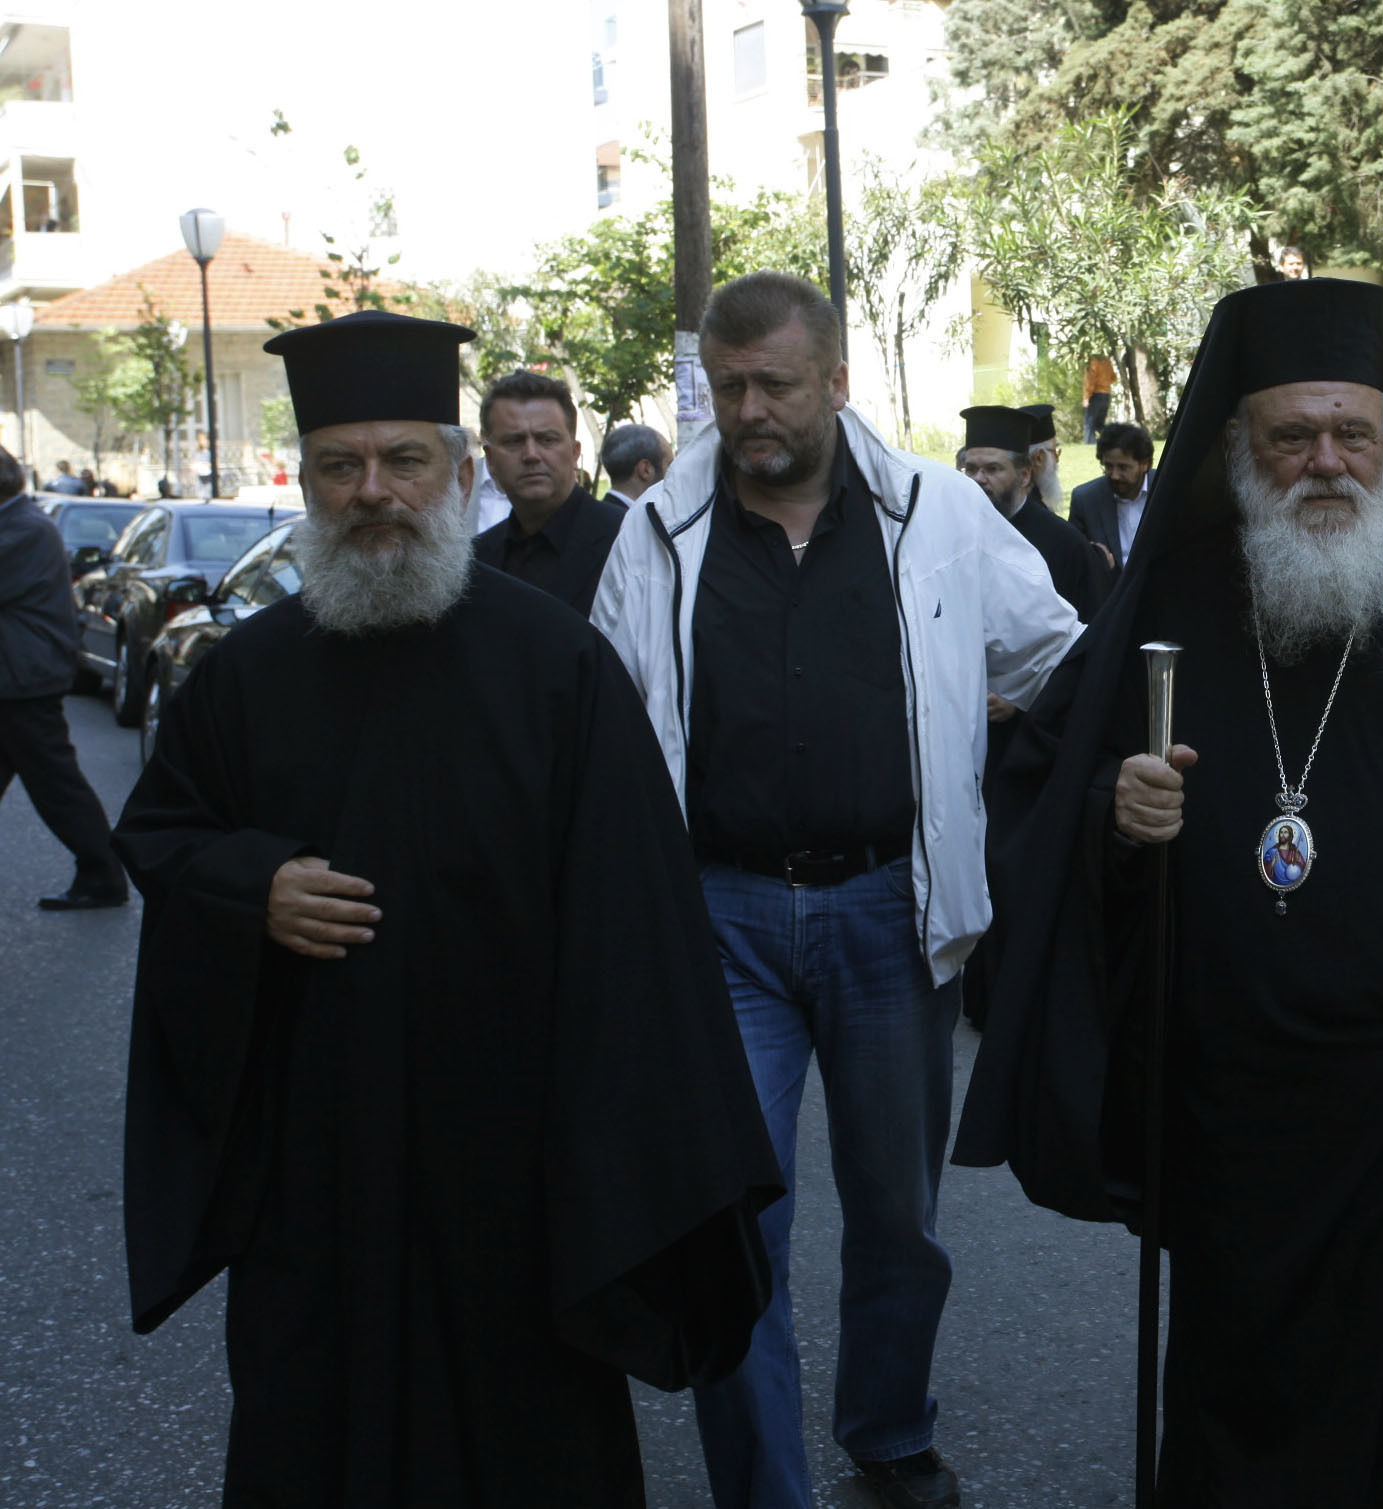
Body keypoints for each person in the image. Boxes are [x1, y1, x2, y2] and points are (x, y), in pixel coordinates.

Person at [957, 276, 1383, 1506]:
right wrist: (1117, 813)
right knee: (1248, 1421)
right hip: (1235, 1113)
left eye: (1351, 433)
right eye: (1290, 437)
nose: (1325, 462)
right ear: (1238, 449)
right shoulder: (1174, 597)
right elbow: (1046, 784)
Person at [119, 309, 781, 1505]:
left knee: (524, 1441)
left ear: (459, 473)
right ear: (309, 481)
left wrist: (625, 1151)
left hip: (517, 1164)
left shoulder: (557, 668)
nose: (373, 491)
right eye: (340, 465)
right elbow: (162, 837)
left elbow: (640, 926)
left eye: (403, 460)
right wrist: (250, 884)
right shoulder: (245, 677)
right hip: (314, 1163)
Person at [589, 272, 1085, 1509]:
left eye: (776, 386)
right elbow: (602, 719)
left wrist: (977, 773)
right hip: (721, 919)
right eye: (726, 388)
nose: (749, 411)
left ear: (837, 384)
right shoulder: (654, 535)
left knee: (895, 1218)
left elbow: (1054, 651)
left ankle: (887, 1427)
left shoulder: (939, 514)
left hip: (889, 913)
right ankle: (764, 1487)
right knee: (732, 1218)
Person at [0, 445, 123, 909]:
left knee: (57, 786)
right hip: (17, 675)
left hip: (21, 678)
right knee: (55, 782)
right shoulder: (20, 523)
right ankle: (101, 873)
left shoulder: (23, 529)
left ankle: (103, 874)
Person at [471, 371, 627, 617]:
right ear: (490, 459)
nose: (531, 454)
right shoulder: (477, 559)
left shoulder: (627, 538)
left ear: (575, 453)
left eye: (547, 439)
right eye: (514, 441)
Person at [962, 405, 1109, 620]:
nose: (979, 479)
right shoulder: (958, 534)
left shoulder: (1065, 544)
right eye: (971, 469)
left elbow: (1091, 629)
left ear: (1024, 475)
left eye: (993, 469)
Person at [1069, 420, 1152, 572]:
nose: (1114, 476)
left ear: (1144, 464)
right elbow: (1074, 559)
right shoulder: (1085, 500)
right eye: (1108, 466)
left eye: (1123, 467)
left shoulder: (1168, 489)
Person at [599, 422, 672, 507]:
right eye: (669, 465)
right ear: (645, 469)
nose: (673, 474)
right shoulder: (630, 519)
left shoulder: (597, 514)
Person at [1083, 355, 1117, 444]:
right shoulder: (1106, 360)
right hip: (1106, 395)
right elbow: (1113, 377)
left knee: (1089, 423)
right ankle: (1113, 440)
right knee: (1099, 424)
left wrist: (1086, 397)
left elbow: (1091, 380)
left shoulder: (1093, 361)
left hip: (1095, 395)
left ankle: (1089, 445)